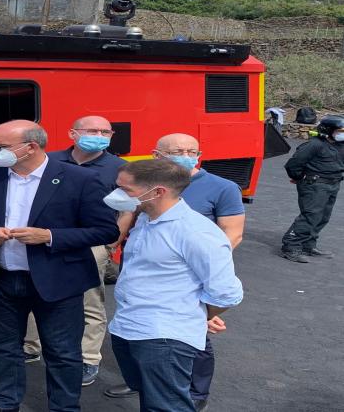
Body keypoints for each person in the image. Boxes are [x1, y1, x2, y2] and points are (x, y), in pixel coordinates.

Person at [0, 120, 119, 411]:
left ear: (30, 147)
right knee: (1, 348)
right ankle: (4, 402)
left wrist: (50, 236)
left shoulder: (79, 179)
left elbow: (105, 230)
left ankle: (64, 407)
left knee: (63, 353)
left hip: (57, 280)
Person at [105, 133, 246, 410]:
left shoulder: (195, 232)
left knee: (166, 405)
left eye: (126, 190)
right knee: (149, 395)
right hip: (128, 326)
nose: (117, 195)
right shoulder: (146, 217)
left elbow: (226, 292)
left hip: (163, 336)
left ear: (157, 192)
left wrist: (198, 315)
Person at [43, 115, 125, 387]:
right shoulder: (49, 160)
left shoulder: (119, 167)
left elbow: (128, 209)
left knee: (90, 300)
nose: (99, 136)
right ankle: (31, 347)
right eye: (92, 131)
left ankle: (88, 357)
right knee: (37, 293)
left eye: (105, 132)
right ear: (72, 133)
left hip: (92, 243)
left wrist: (112, 243)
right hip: (48, 239)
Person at [280, 114, 344, 263]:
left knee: (323, 217)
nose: (342, 134)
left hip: (333, 184)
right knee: (311, 216)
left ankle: (308, 245)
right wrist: (298, 178)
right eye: (339, 131)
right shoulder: (314, 145)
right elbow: (293, 164)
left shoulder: (340, 145)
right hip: (315, 185)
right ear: (328, 130)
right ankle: (291, 246)